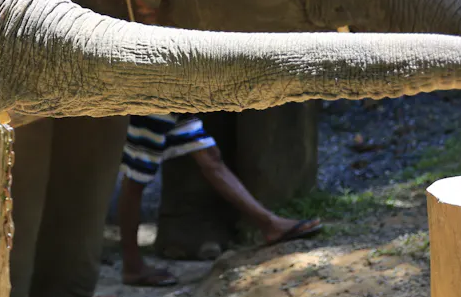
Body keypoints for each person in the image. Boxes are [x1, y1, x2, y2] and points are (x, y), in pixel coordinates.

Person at [116, 114, 322, 288]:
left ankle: (269, 225)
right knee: (136, 175)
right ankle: (133, 266)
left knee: (209, 156)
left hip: (174, 96)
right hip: (157, 95)